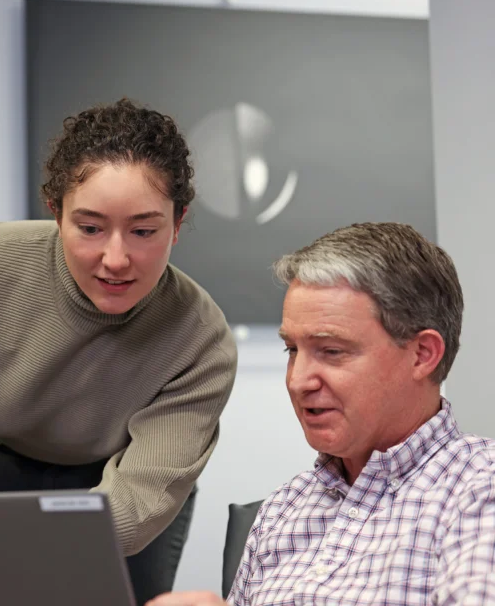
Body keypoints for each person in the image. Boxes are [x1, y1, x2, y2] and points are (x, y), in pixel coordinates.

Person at [0, 98, 238, 605]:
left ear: (177, 225)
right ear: (56, 213)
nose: (116, 259)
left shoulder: (200, 339)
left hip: (123, 494)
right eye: (90, 228)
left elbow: (139, 500)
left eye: (143, 231)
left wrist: (25, 560)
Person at [147, 222, 495, 606]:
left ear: (422, 355)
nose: (298, 382)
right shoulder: (283, 510)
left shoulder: (480, 489)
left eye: (331, 351)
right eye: (292, 350)